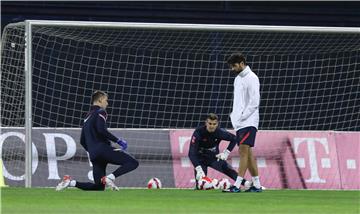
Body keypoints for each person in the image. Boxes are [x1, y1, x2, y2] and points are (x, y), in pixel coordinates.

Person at [56, 90, 139, 191]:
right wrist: (118, 141)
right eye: (106, 100)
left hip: (94, 154)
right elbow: (101, 129)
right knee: (133, 162)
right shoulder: (101, 112)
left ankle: (70, 182)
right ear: (100, 100)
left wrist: (92, 150)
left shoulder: (87, 117)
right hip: (102, 149)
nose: (107, 103)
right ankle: (110, 178)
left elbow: (82, 140)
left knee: (99, 187)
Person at [224, 53, 262, 193]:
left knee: (243, 152)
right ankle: (257, 185)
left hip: (249, 121)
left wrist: (242, 117)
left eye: (234, 66)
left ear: (241, 63)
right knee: (249, 153)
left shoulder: (252, 78)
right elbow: (238, 102)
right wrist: (235, 118)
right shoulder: (237, 79)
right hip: (240, 123)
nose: (232, 69)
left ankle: (237, 185)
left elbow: (254, 102)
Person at [188, 113, 251, 190]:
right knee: (200, 186)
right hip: (200, 159)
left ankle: (247, 184)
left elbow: (234, 139)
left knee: (229, 170)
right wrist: (198, 168)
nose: (212, 126)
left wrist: (226, 152)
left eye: (214, 124)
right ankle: (216, 184)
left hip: (214, 157)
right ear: (206, 123)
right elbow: (191, 153)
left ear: (217, 124)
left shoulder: (220, 132)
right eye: (210, 123)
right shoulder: (198, 132)